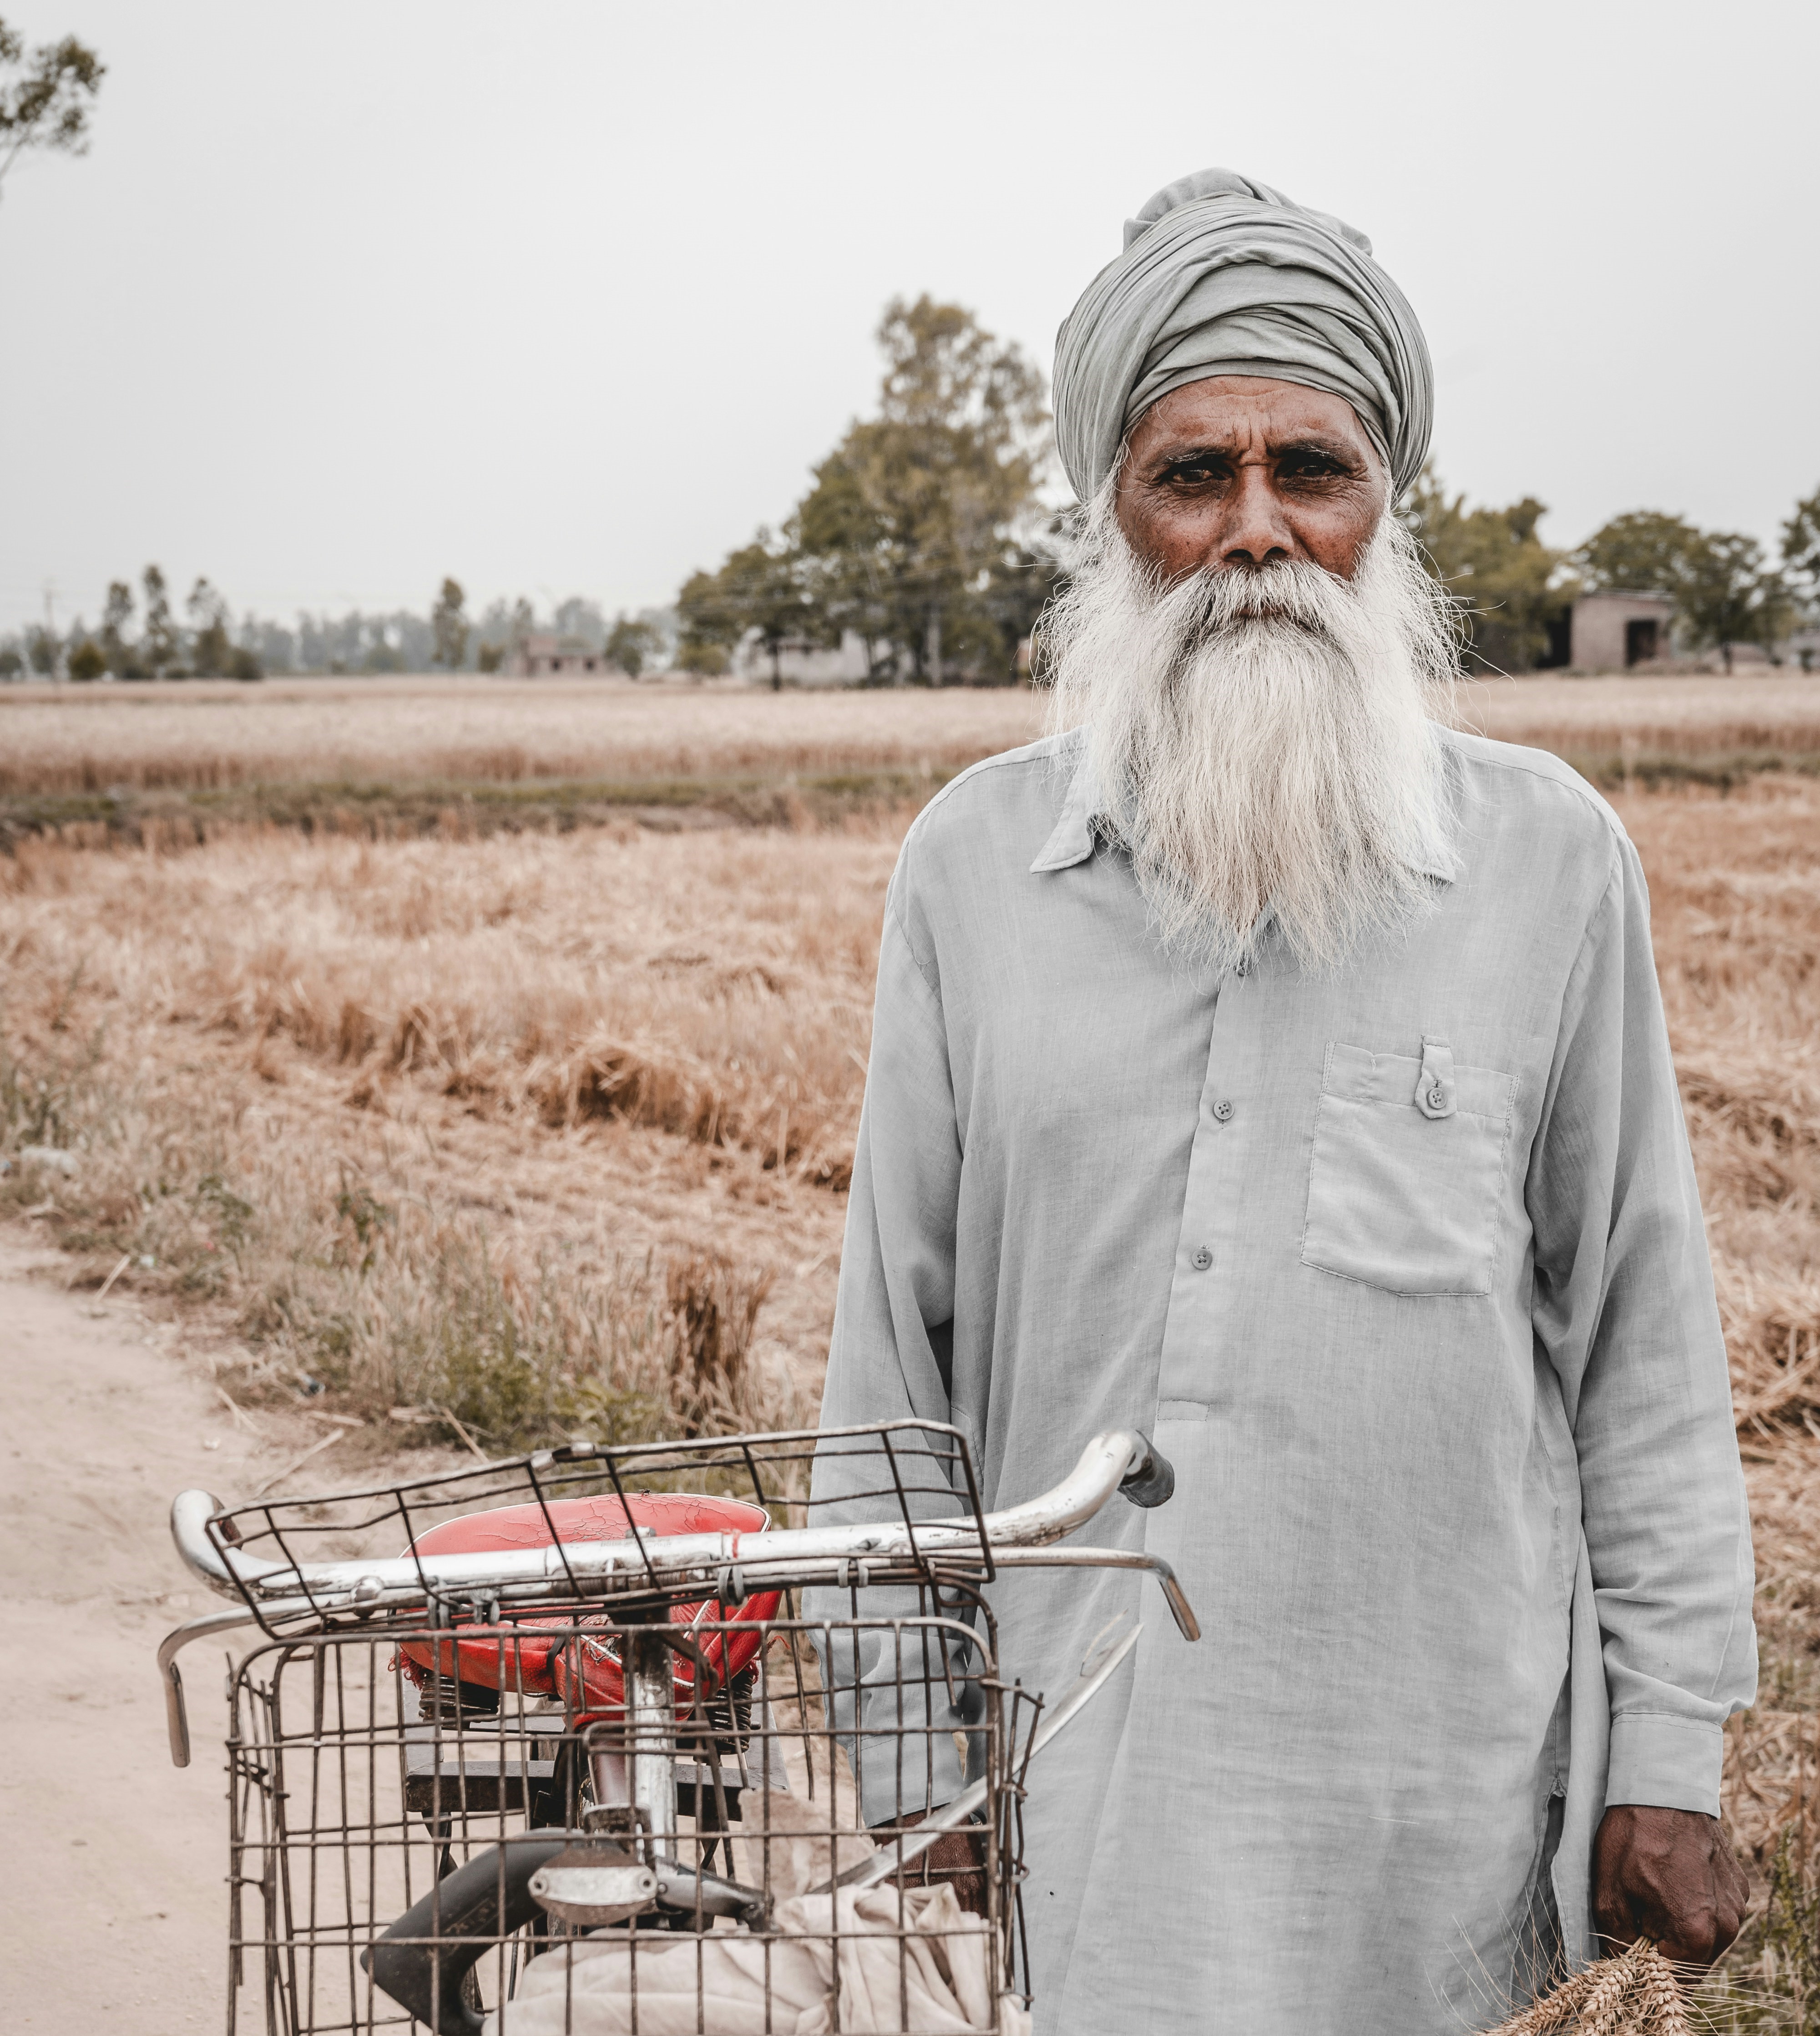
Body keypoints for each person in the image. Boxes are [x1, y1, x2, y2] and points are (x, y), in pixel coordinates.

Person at [808, 169, 1755, 2033]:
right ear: (1115, 514)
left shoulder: (1548, 865)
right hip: (1083, 1787)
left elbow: (1643, 1340)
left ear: (1382, 505)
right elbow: (891, 1367)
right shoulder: (974, 870)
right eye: (1194, 476)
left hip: (1442, 1805)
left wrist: (1667, 1749)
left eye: (1309, 470)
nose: (1256, 532)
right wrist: (913, 1759)